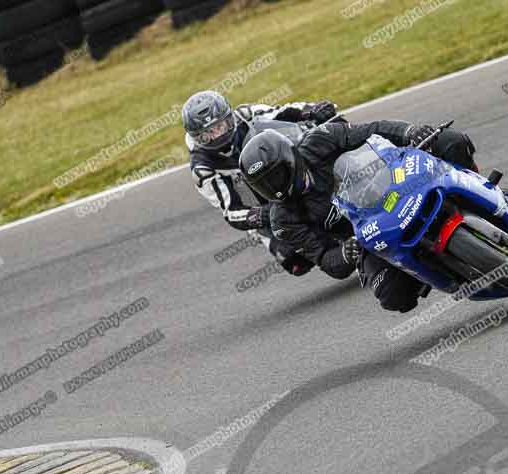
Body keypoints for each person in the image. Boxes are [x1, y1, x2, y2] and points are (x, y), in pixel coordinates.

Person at [238, 119, 483, 312]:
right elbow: (325, 259)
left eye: (275, 175)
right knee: (393, 296)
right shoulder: (282, 220)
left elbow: (372, 130)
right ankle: (436, 268)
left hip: (394, 184)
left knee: (450, 141)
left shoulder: (320, 139)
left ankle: (484, 189)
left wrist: (408, 131)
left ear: (289, 157)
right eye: (263, 185)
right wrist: (346, 253)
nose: (273, 187)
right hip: (368, 235)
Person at [181, 90, 338, 274]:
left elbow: (285, 111)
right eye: (207, 134)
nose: (216, 135)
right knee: (295, 262)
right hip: (265, 209)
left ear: (229, 118)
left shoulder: (246, 114)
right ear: (197, 137)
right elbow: (231, 212)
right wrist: (262, 215)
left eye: (219, 127)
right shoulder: (202, 168)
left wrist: (312, 110)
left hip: (287, 174)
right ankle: (333, 255)